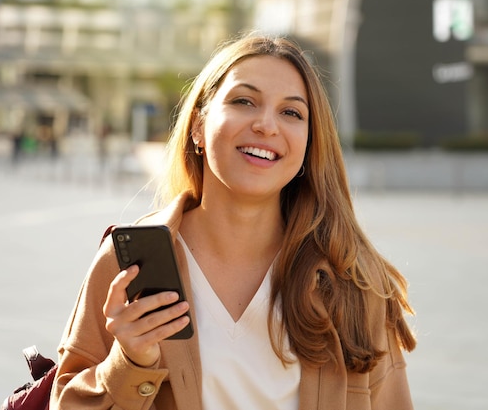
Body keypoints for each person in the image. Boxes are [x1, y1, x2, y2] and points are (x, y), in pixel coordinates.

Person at [50, 34, 417, 410]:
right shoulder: (129, 264)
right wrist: (129, 364)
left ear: (309, 144)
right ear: (198, 127)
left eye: (291, 112)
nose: (266, 126)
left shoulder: (352, 279)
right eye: (244, 101)